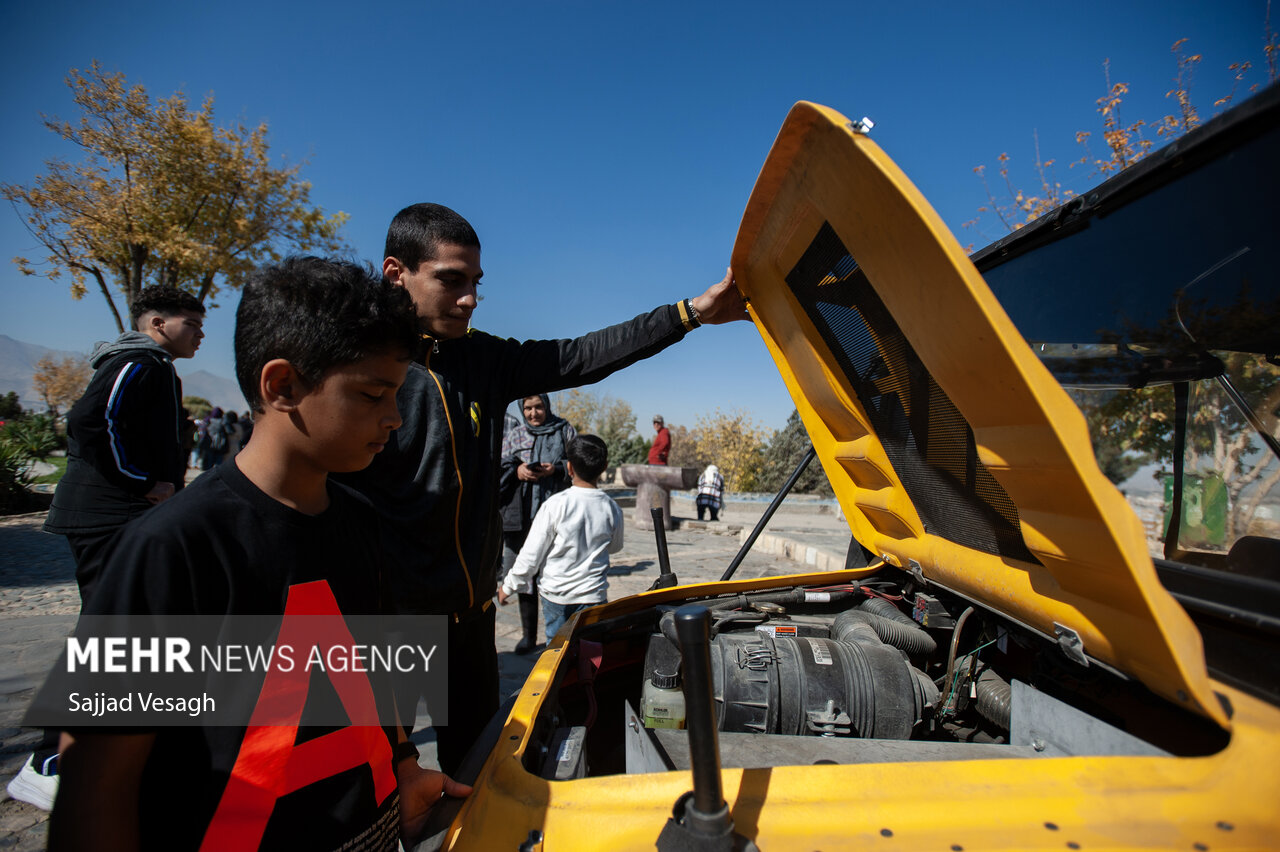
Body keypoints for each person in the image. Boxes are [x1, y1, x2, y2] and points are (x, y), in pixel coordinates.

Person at [49, 257, 470, 852]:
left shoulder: (364, 523)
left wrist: (404, 768)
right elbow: (95, 780)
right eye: (373, 393)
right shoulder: (169, 548)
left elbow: (376, 672)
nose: (394, 419)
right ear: (282, 386)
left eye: (398, 394)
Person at [335, 202, 748, 775]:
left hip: (471, 619)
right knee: (378, 780)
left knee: (475, 776)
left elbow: (583, 356)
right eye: (451, 281)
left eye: (476, 284)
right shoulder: (354, 364)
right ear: (395, 272)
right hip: (386, 624)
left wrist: (690, 313)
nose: (470, 299)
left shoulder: (483, 359)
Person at [12, 288, 205, 812]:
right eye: (191, 323)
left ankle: (106, 753)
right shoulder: (139, 362)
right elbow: (91, 422)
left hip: (117, 515)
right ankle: (49, 761)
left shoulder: (151, 364)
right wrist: (142, 482)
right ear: (157, 323)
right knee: (110, 633)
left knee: (122, 631)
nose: (200, 333)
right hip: (107, 516)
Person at [498, 435, 623, 641]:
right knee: (591, 652)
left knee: (556, 654)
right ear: (604, 467)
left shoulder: (555, 505)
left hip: (556, 596)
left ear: (570, 468)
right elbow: (615, 546)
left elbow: (531, 554)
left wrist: (509, 585)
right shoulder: (612, 507)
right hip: (594, 596)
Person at [499, 393, 577, 654]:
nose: (534, 413)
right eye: (528, 408)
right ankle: (528, 636)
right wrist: (518, 470)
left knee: (555, 574)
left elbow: (578, 463)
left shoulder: (564, 429)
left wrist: (555, 470)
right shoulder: (515, 434)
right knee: (524, 574)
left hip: (556, 513)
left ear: (547, 406)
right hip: (519, 515)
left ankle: (560, 635)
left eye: (538, 407)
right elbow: (500, 466)